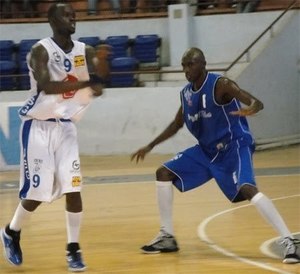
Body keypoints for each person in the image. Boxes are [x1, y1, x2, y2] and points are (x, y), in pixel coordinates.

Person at [131, 47, 300, 264]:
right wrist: (150, 145)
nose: (186, 69)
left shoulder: (221, 85)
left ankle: (289, 240)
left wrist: (252, 108)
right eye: (183, 65)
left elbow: (255, 101)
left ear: (203, 64)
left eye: (190, 64)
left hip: (234, 145)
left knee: (247, 188)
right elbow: (176, 124)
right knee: (163, 173)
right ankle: (167, 236)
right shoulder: (186, 94)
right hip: (207, 151)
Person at [0, 2, 110, 272]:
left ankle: (73, 248)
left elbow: (99, 83)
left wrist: (102, 72)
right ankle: (11, 232)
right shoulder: (40, 51)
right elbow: (47, 86)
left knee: (74, 187)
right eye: (66, 14)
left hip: (66, 127)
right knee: (37, 192)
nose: (72, 17)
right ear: (52, 20)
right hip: (38, 127)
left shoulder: (87, 50)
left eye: (74, 13)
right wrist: (87, 84)